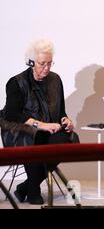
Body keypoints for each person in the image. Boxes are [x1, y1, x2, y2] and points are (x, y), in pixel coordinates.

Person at [0, 39, 79, 205]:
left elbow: (61, 112)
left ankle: (27, 186)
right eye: (42, 63)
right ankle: (33, 190)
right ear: (31, 62)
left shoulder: (55, 80)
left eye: (50, 63)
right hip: (21, 132)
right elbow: (11, 113)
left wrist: (66, 120)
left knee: (70, 139)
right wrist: (41, 125)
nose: (47, 68)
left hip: (47, 131)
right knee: (34, 139)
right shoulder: (17, 82)